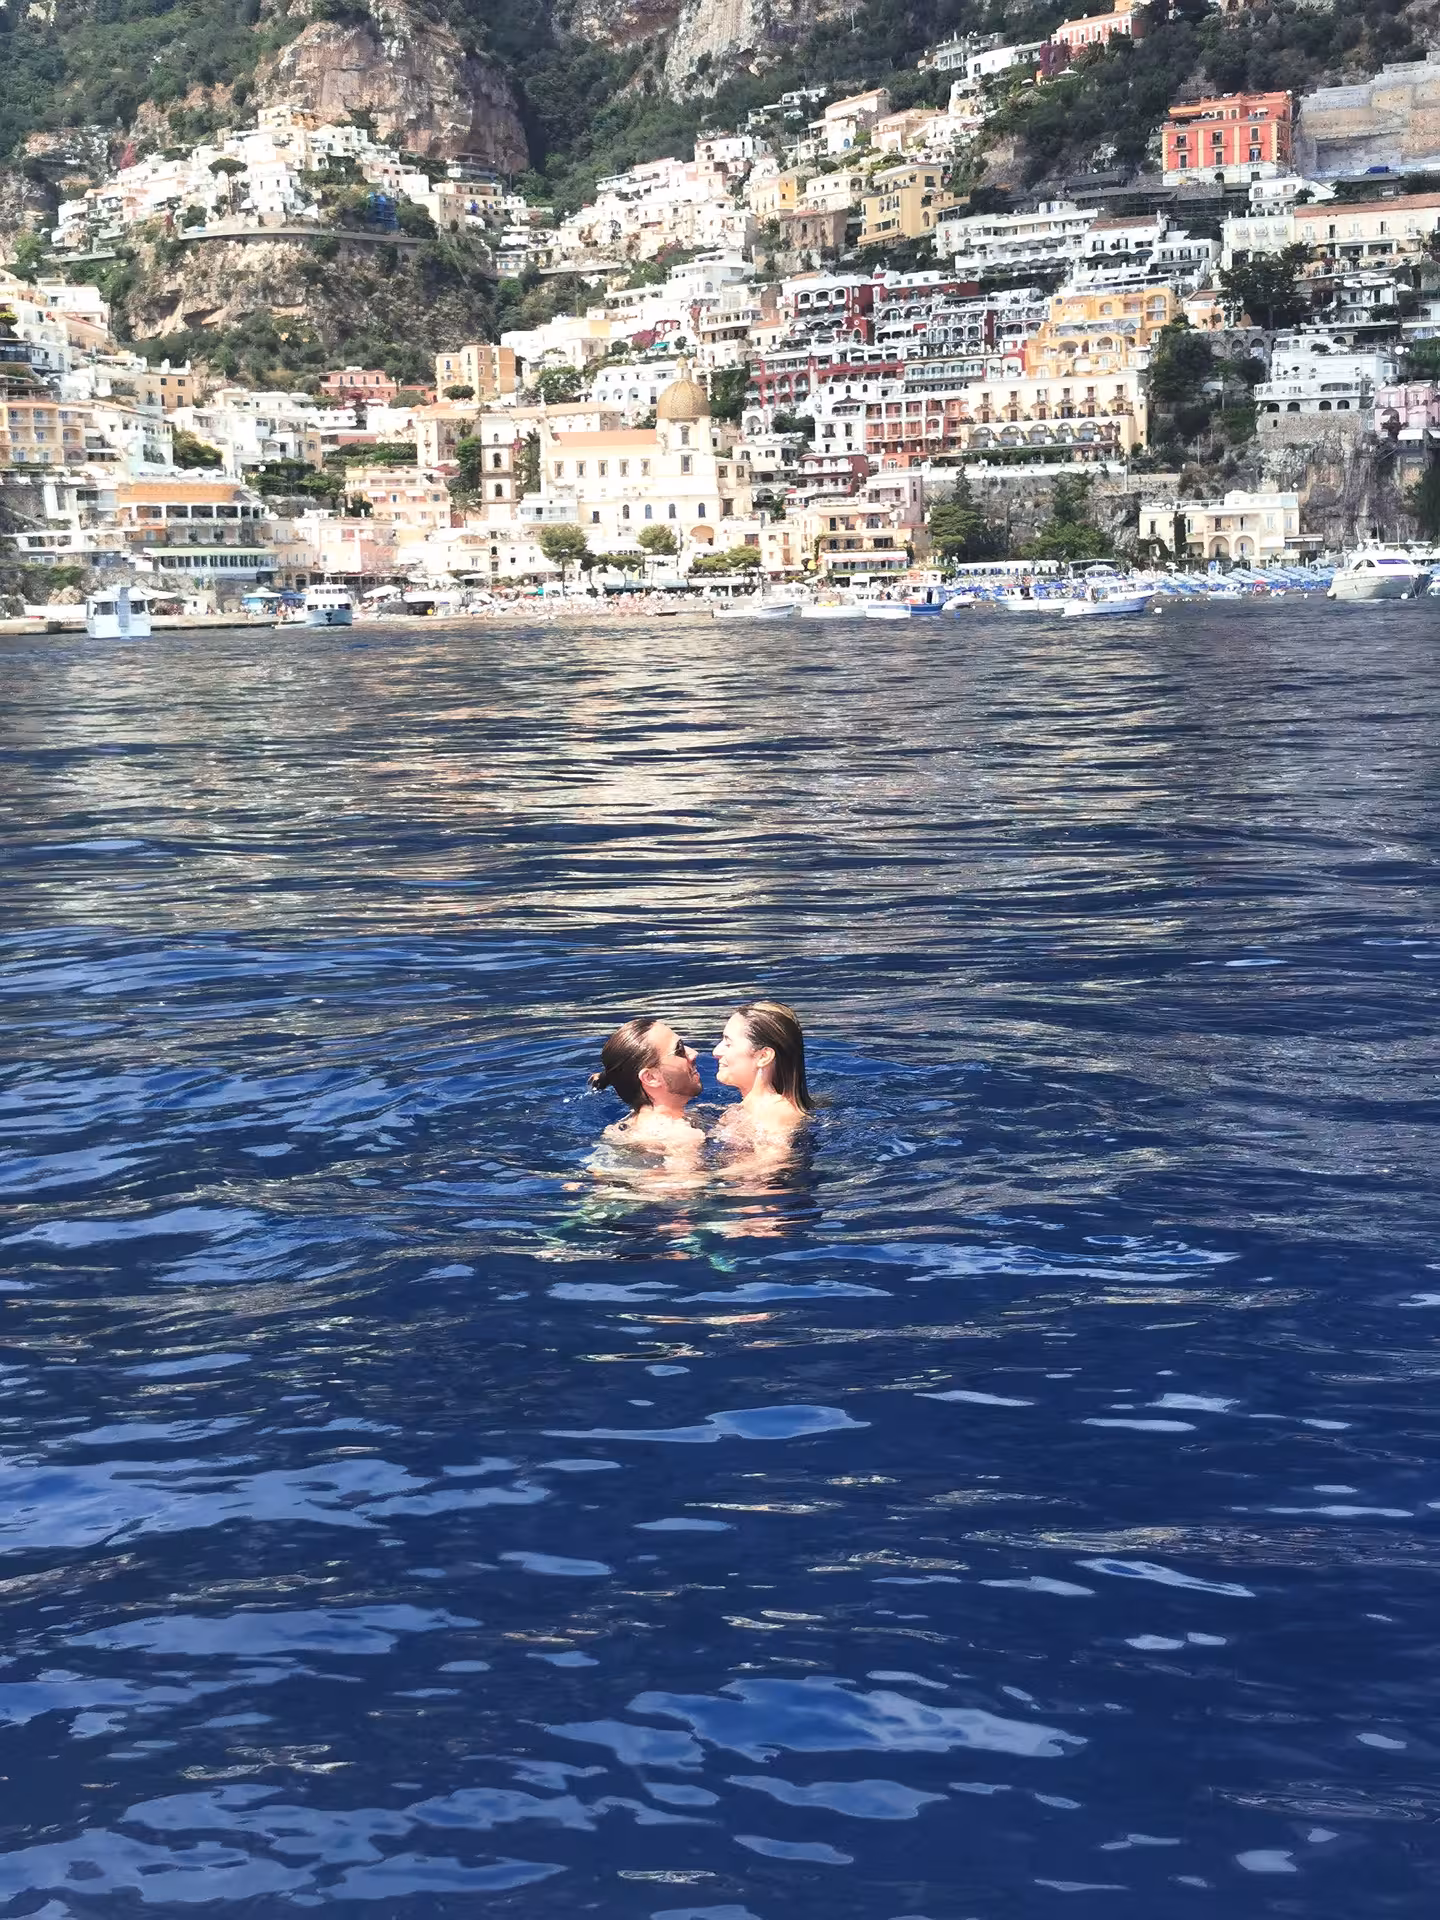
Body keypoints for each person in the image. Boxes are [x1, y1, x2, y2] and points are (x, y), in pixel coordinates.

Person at [589, 1015, 703, 1155]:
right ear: (650, 1077)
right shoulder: (679, 1137)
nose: (693, 1053)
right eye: (679, 1050)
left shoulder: (624, 1128)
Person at [713, 999, 813, 1145]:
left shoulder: (774, 1114)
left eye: (728, 1044)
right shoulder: (748, 1110)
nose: (716, 1052)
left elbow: (773, 1159)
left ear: (763, 1057)